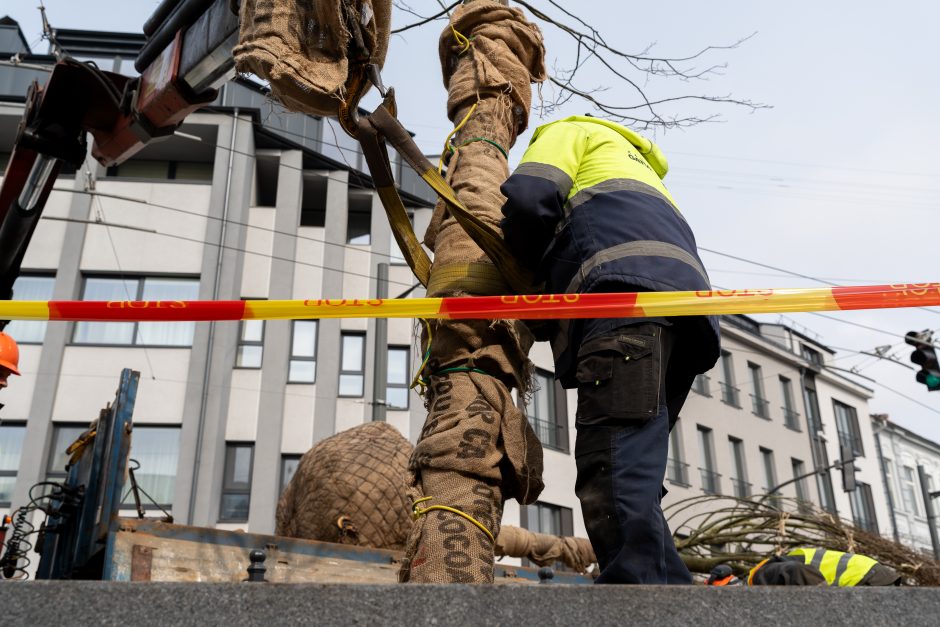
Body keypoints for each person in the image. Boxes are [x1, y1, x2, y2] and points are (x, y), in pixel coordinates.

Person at [500, 115, 720, 584]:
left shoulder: (569, 131)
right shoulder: (640, 169)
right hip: (685, 320)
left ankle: (636, 602)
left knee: (612, 466)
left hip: (622, 302)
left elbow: (528, 197)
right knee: (633, 469)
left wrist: (519, 269)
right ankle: (672, 597)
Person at [748, 548, 901, 587]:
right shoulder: (793, 557)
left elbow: (797, 571)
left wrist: (825, 598)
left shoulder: (759, 575)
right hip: (871, 573)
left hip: (865, 576)